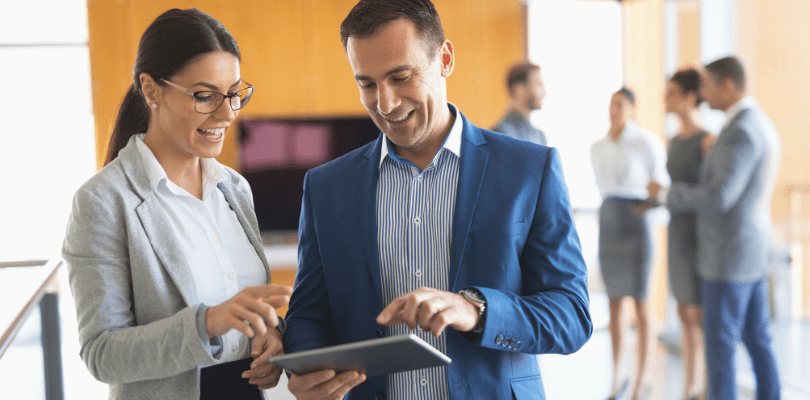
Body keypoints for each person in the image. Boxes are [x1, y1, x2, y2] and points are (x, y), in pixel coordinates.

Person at [282, 1, 592, 399]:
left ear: (444, 58)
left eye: (401, 77)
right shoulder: (326, 187)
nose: (385, 103)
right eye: (367, 84)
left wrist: (477, 311)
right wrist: (309, 367)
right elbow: (307, 314)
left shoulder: (530, 169)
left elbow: (571, 315)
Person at [62, 8, 292, 400]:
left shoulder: (233, 188)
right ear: (151, 89)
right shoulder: (103, 202)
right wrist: (206, 323)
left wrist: (270, 335)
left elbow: (246, 308)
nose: (227, 113)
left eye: (234, 93)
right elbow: (102, 353)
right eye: (205, 96)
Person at [648, 56, 781, 400]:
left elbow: (719, 195)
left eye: (706, 83)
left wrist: (664, 194)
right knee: (757, 340)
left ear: (727, 85)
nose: (703, 92)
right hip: (747, 252)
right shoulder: (756, 122)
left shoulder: (740, 131)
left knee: (720, 351)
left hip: (727, 256)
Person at [590, 87, 670, 400]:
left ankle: (643, 377)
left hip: (639, 222)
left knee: (640, 300)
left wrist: (650, 209)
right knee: (614, 301)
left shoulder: (646, 142)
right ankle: (618, 374)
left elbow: (661, 186)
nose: (614, 110)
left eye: (620, 105)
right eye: (611, 104)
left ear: (632, 109)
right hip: (610, 220)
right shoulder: (597, 146)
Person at [664, 67, 715, 400]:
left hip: (698, 233)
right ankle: (689, 387)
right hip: (676, 230)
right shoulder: (672, 140)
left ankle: (708, 387)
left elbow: (709, 193)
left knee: (700, 315)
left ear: (689, 97)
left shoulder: (706, 140)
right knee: (684, 311)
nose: (665, 98)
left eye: (671, 92)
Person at [491, 60, 548, 145]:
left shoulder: (539, 136)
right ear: (519, 89)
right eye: (538, 85)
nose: (544, 92)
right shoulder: (501, 134)